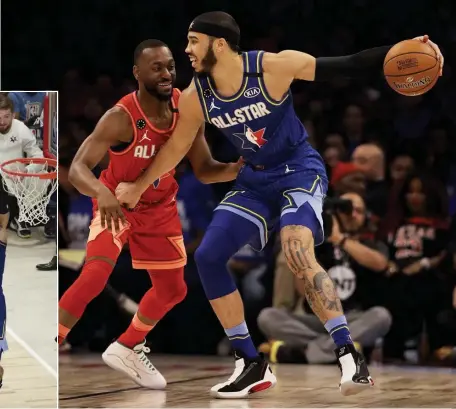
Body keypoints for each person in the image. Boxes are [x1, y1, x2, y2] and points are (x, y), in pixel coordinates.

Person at [115, 11, 444, 398]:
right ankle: (250, 362)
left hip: (298, 170)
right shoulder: (195, 96)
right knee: (206, 256)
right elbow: (175, 149)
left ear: (219, 44)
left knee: (295, 246)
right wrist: (138, 186)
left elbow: (349, 65)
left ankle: (349, 356)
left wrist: (405, 49)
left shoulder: (271, 67)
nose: (186, 50)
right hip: (254, 179)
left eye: (193, 41)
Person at [57, 39, 241, 389]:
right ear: (137, 73)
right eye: (156, 67)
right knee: (95, 273)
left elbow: (204, 169)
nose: (166, 73)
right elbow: (79, 168)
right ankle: (49, 341)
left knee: (174, 289)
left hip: (160, 208)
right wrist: (101, 192)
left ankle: (127, 346)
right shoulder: (120, 118)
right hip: (118, 205)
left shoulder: (185, 109)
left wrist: (238, 169)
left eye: (170, 66)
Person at [257, 193, 391, 364]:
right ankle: (338, 349)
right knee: (268, 317)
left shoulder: (370, 243)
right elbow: (303, 290)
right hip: (314, 319)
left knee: (382, 316)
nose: (353, 215)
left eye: (359, 211)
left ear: (366, 216)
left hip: (351, 319)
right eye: (347, 209)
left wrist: (340, 239)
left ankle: (307, 352)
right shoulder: (318, 243)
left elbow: (380, 263)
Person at [0, 94, 45, 386]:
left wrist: (27, 172)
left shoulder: (21, 131)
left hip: (12, 185)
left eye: (5, 115)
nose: (1, 120)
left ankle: (24, 219)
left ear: (11, 114)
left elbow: (38, 155)